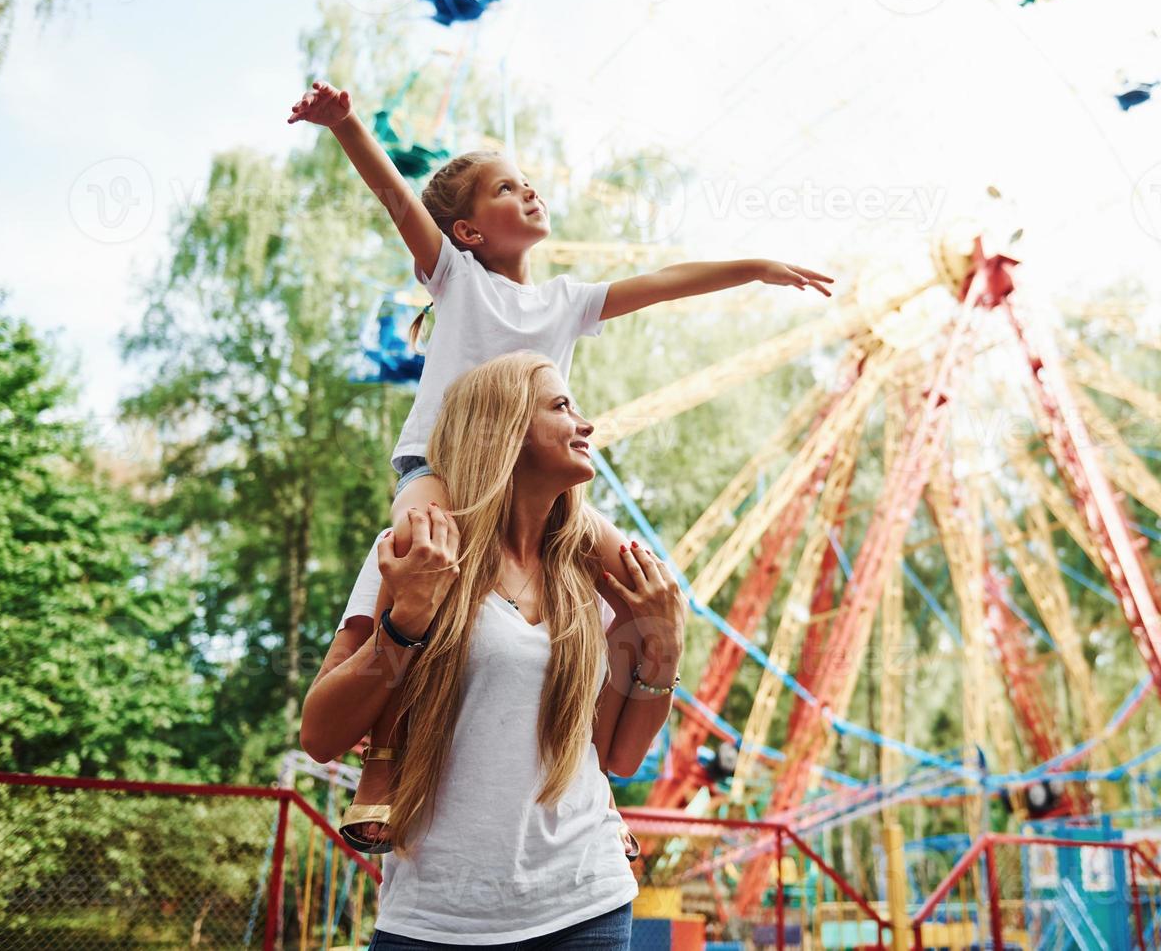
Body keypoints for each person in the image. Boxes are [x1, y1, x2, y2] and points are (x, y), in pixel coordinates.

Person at [287, 81, 830, 845]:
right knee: (417, 561)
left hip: (528, 482)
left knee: (639, 577)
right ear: (470, 231)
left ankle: (588, 788)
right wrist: (344, 123)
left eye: (526, 181)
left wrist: (752, 267)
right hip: (441, 465)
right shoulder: (456, 278)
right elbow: (396, 199)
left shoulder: (566, 304)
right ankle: (383, 761)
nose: (528, 189)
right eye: (506, 187)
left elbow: (667, 284)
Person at [301, 352, 686, 947]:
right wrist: (407, 620)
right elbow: (321, 733)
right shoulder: (415, 553)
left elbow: (619, 755)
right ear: (501, 428)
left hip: (587, 902)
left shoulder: (587, 579)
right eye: (561, 407)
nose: (585, 424)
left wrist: (664, 642)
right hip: (436, 918)